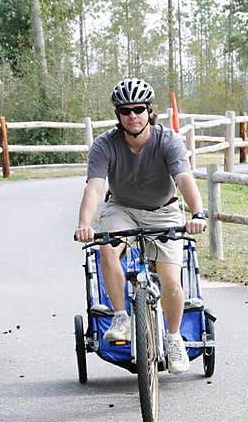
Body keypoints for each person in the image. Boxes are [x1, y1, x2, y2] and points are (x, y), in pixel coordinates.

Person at [74, 78, 207, 375]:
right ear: (118, 115)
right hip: (122, 208)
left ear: (149, 111)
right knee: (107, 250)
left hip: (164, 210)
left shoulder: (167, 140)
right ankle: (120, 317)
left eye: (138, 109)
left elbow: (185, 179)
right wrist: (84, 224)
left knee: (171, 279)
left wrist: (197, 213)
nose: (132, 116)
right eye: (125, 111)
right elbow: (95, 188)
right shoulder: (104, 145)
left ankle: (174, 339)